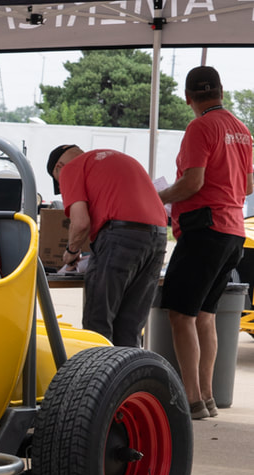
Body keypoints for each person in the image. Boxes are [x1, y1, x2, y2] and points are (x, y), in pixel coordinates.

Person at [158, 66, 254, 419]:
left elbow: (193, 182)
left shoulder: (200, 127)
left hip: (204, 229)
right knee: (205, 315)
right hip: (233, 232)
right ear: (221, 91)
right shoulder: (241, 129)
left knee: (180, 315)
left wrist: (159, 196)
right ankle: (208, 398)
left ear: (188, 98)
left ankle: (191, 400)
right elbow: (247, 187)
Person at [46, 144, 167, 347]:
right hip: (158, 237)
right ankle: (126, 378)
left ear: (58, 167)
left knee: (98, 322)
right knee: (130, 326)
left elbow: (81, 222)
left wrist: (71, 251)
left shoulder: (71, 168)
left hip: (121, 236)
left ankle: (96, 379)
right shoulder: (118, 159)